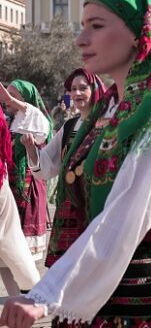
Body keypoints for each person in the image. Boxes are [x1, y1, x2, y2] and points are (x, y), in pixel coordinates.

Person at [0, 0, 151, 327]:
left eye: (97, 26)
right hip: (98, 290)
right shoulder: (109, 106)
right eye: (83, 26)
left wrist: (45, 297)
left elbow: (126, 215)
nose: (81, 39)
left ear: (138, 33)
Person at [20, 68, 105, 268]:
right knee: (68, 270)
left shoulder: (107, 125)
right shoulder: (70, 127)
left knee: (93, 268)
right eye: (73, 89)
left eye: (83, 88)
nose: (76, 93)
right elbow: (47, 167)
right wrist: (31, 148)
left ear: (96, 90)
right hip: (70, 206)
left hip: (97, 204)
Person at [0, 80, 51, 297]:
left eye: (13, 95)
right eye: (6, 94)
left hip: (26, 189)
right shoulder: (8, 121)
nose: (7, 99)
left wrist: (11, 101)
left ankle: (32, 294)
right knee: (4, 253)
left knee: (19, 248)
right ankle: (17, 298)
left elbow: (42, 127)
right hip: (7, 186)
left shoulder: (33, 120)